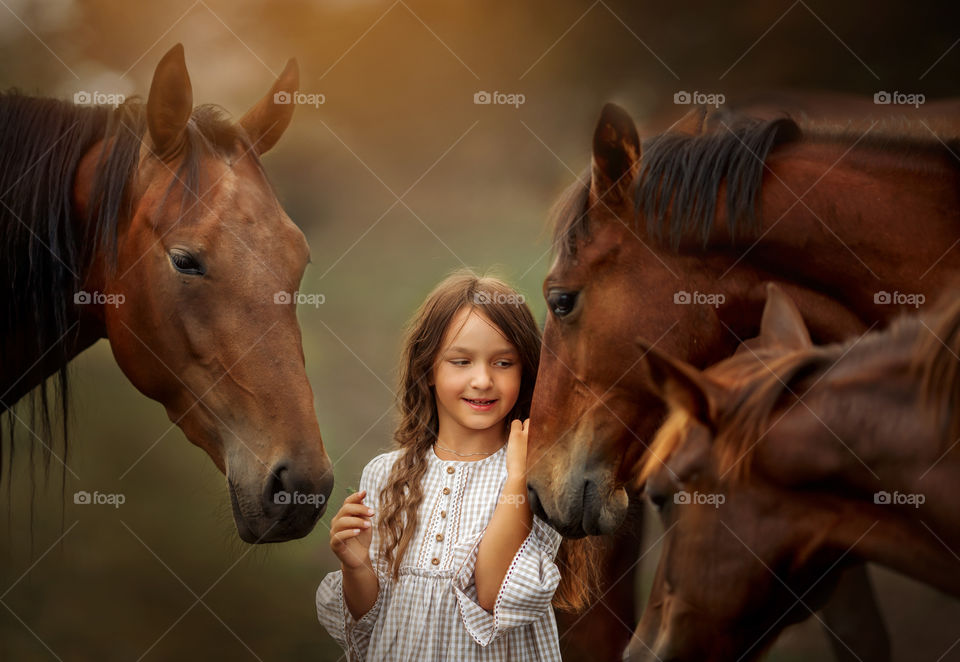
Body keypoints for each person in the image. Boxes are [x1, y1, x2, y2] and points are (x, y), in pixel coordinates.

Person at [316, 271, 562, 661]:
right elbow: (370, 622)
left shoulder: (536, 476)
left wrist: (517, 477)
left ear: (526, 372)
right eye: (461, 361)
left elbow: (494, 593)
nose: (482, 380)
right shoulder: (384, 475)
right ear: (429, 368)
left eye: (503, 363)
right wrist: (356, 566)